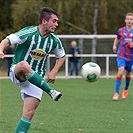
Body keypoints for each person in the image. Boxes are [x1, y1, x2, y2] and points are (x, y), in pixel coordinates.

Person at [0, 7, 65, 133]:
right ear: (44, 21)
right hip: (17, 71)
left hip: (36, 79)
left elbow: (61, 56)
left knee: (29, 113)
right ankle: (51, 91)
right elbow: (7, 40)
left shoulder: (54, 40)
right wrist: (0, 49)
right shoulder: (29, 33)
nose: (56, 24)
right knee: (24, 65)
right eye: (54, 21)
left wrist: (54, 71)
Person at [112, 12, 133, 101]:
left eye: (131, 19)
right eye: (127, 19)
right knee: (120, 72)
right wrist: (114, 45)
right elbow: (117, 37)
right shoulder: (121, 30)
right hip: (121, 56)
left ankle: (125, 89)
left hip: (131, 57)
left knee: (128, 73)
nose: (129, 21)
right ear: (125, 20)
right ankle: (116, 93)